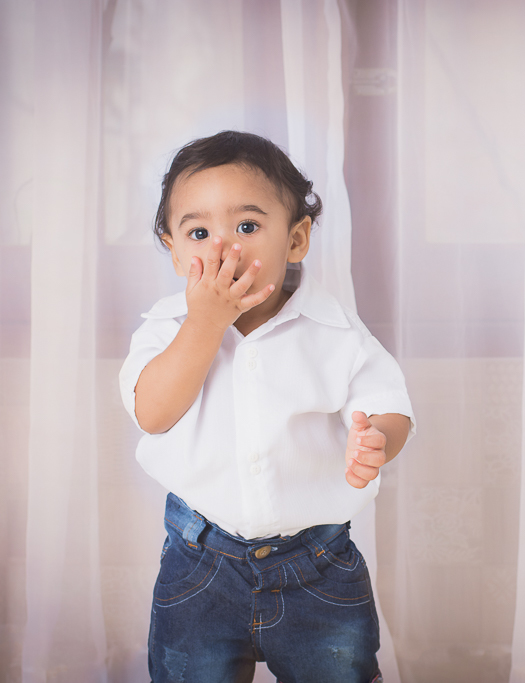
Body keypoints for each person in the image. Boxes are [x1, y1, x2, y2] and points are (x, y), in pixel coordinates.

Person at [118, 130, 414, 683]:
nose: (223, 249)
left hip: (317, 565)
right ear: (174, 250)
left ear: (295, 239)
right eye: (199, 233)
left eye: (248, 227)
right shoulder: (164, 329)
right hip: (199, 560)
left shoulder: (335, 330)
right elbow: (153, 414)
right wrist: (204, 324)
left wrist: (377, 436)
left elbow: (388, 403)